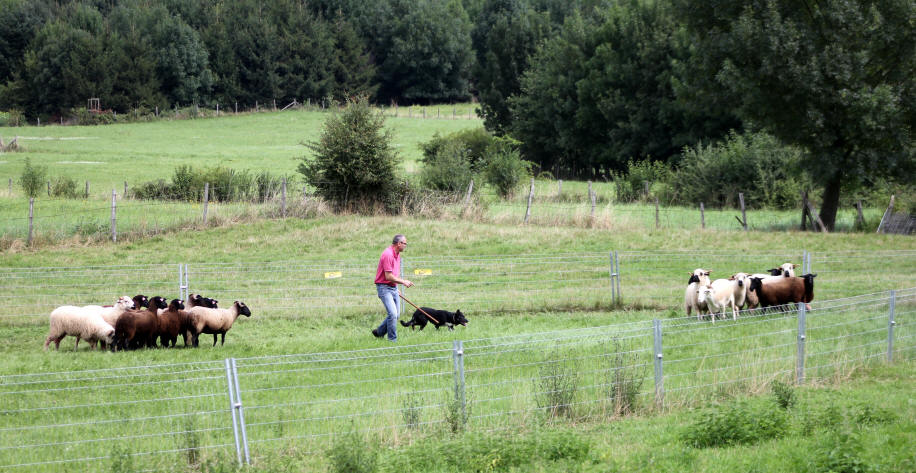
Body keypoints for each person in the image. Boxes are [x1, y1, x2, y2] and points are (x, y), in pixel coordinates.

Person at [372, 234, 413, 341]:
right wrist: (403, 282)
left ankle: (379, 332)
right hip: (384, 288)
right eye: (405, 243)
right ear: (399, 244)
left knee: (396, 315)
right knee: (393, 314)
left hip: (392, 287)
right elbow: (388, 276)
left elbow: (394, 274)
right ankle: (392, 340)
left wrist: (396, 287)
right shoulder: (388, 254)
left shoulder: (397, 254)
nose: (406, 245)